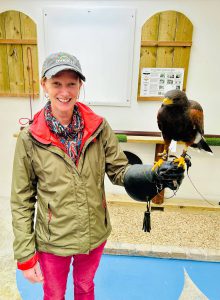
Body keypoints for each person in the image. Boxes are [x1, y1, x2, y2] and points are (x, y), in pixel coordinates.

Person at [11, 52, 185, 300]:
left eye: (71, 83)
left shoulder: (99, 128)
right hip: (53, 240)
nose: (64, 91)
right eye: (56, 83)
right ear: (44, 85)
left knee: (84, 288)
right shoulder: (30, 139)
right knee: (54, 294)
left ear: (80, 85)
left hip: (94, 233)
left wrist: (153, 173)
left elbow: (120, 171)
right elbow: (21, 200)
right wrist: (25, 255)